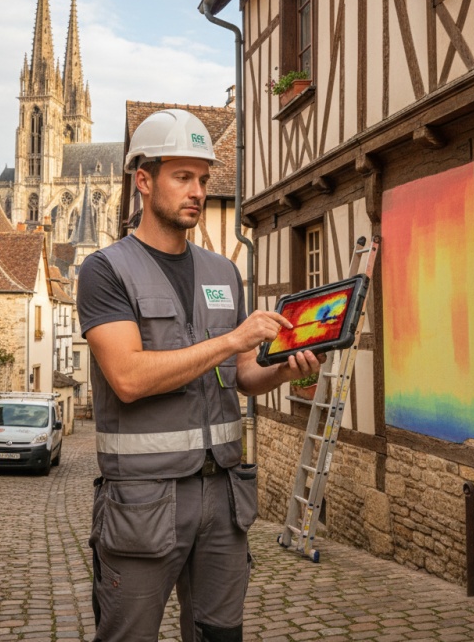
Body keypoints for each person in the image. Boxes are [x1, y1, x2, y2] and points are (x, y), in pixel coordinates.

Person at [76, 108, 323, 642]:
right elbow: (128, 378)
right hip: (144, 502)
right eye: (182, 177)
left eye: (204, 179)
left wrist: (283, 369)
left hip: (225, 499)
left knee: (219, 635)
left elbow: (243, 375)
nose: (197, 190)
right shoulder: (106, 271)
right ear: (143, 181)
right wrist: (233, 339)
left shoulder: (223, 272)